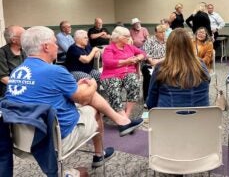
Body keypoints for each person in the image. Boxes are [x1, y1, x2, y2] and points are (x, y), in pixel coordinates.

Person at [5, 26, 143, 168]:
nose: (57, 46)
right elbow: (83, 99)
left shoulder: (17, 71)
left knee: (82, 89)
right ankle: (99, 153)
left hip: (21, 141)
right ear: (46, 47)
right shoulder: (55, 71)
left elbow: (44, 91)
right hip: (54, 140)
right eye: (55, 42)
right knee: (92, 106)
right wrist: (94, 86)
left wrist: (76, 86)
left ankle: (120, 120)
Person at [146, 28, 210, 109]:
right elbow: (207, 85)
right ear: (190, 45)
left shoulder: (160, 67)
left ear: (169, 46)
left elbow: (151, 103)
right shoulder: (201, 65)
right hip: (200, 119)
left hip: (169, 119)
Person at [100, 26, 146, 117]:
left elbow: (143, 53)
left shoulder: (130, 47)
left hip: (128, 73)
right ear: (118, 37)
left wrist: (137, 58)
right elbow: (108, 62)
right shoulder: (109, 48)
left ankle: (127, 113)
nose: (129, 38)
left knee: (134, 84)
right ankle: (120, 115)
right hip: (111, 75)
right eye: (126, 36)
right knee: (114, 88)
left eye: (129, 36)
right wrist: (127, 61)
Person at [141, 25, 166, 102]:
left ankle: (163, 97)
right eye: (161, 32)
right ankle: (147, 99)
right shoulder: (150, 41)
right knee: (148, 75)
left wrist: (158, 61)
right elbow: (146, 54)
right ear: (156, 33)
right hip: (150, 64)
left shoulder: (168, 41)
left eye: (164, 31)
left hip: (164, 63)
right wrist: (152, 61)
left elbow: (170, 55)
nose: (163, 33)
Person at [0, 26, 26, 97]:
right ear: (13, 40)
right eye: (23, 35)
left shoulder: (24, 52)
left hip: (24, 90)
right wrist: (25, 86)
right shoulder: (2, 53)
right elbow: (3, 78)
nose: (26, 38)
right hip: (9, 92)